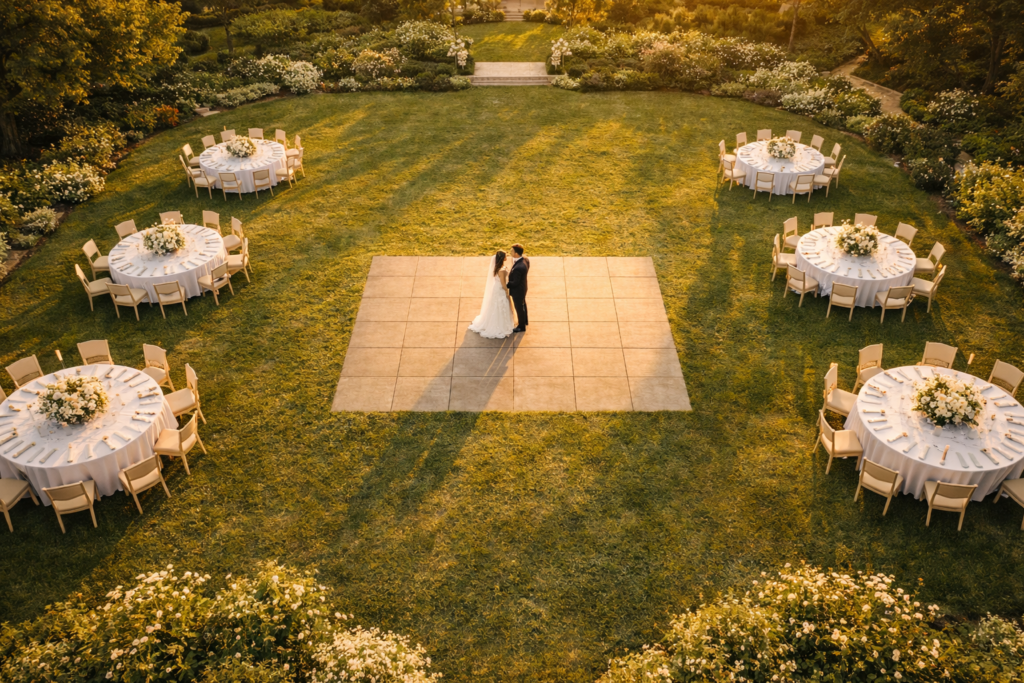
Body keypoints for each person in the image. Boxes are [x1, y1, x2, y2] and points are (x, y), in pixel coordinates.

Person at [467, 250, 515, 339]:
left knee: (495, 305)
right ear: (502, 258)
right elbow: (503, 283)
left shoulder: (497, 268)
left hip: (496, 288)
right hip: (500, 289)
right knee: (501, 305)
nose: (507, 257)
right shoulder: (502, 270)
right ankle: (500, 325)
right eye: (505, 256)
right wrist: (507, 291)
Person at [506, 243, 529, 333]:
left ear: (516, 253)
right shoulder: (525, 260)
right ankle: (525, 321)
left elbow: (515, 283)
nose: (511, 252)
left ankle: (521, 326)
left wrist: (506, 284)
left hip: (518, 291)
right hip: (523, 287)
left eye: (512, 251)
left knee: (519, 307)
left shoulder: (518, 268)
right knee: (523, 305)